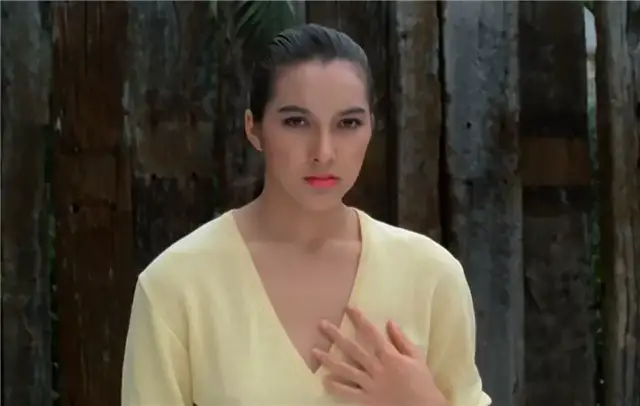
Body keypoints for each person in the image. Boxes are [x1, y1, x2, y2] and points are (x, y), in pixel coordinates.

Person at [121, 23, 491, 406]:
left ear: (371, 128)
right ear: (254, 128)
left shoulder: (431, 275)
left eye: (348, 123)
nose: (323, 152)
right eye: (296, 122)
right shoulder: (176, 285)